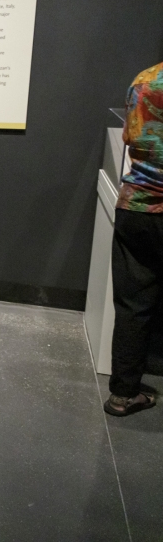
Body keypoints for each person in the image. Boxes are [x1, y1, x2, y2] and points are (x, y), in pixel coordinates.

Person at [105, 61, 163, 416]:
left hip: (138, 207)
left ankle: (123, 395)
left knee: (133, 306)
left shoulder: (145, 78)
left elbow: (130, 136)